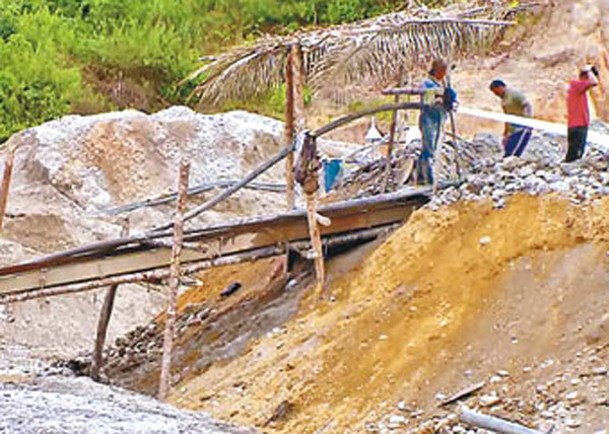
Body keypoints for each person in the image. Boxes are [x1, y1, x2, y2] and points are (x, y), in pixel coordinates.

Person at [417, 58, 452, 184]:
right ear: (438, 71)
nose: (444, 74)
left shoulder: (440, 83)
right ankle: (428, 178)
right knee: (429, 147)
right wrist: (439, 100)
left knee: (431, 147)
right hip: (428, 120)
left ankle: (422, 176)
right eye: (443, 71)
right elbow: (428, 101)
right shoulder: (427, 84)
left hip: (438, 119)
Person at [489, 80, 533, 157]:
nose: (496, 95)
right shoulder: (503, 101)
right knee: (507, 153)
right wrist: (506, 135)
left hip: (522, 129)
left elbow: (527, 105)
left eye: (496, 92)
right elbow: (507, 118)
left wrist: (527, 121)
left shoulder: (513, 94)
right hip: (513, 131)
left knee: (513, 155)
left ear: (500, 87)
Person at [566, 65, 599, 162]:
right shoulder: (576, 85)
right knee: (575, 156)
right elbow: (594, 82)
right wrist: (589, 70)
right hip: (578, 125)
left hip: (579, 125)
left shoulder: (579, 90)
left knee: (576, 153)